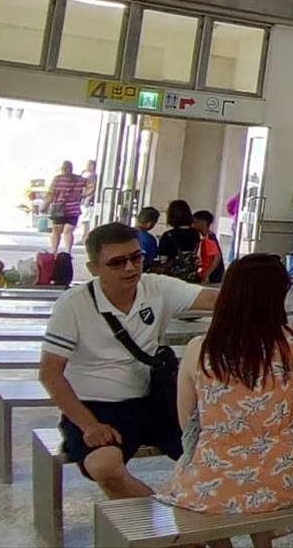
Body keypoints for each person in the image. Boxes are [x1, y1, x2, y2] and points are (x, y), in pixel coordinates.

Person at [160, 254, 293, 536]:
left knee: (200, 496)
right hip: (283, 479)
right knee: (259, 488)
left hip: (211, 483)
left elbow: (187, 422)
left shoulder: (200, 348)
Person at [39, 223, 217, 499]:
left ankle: (203, 518)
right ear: (94, 268)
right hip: (96, 406)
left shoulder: (156, 287)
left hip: (155, 400)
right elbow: (50, 374)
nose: (130, 268)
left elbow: (213, 300)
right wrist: (89, 425)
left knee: (213, 451)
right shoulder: (73, 305)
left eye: (136, 258)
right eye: (117, 262)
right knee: (105, 468)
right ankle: (160, 521)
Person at [46, 161, 89, 256]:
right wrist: (84, 195)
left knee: (56, 231)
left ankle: (54, 252)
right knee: (68, 231)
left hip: (58, 207)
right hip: (74, 209)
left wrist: (45, 205)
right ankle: (68, 252)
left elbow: (51, 193)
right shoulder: (80, 179)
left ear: (62, 169)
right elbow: (92, 186)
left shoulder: (57, 179)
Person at [152, 201, 203, 283]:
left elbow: (163, 259)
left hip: (172, 278)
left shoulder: (168, 235)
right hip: (190, 275)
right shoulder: (195, 234)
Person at [192, 211, 224, 284]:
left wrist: (206, 274)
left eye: (195, 222)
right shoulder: (206, 238)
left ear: (203, 223)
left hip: (212, 277)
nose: (193, 225)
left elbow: (217, 258)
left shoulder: (209, 239)